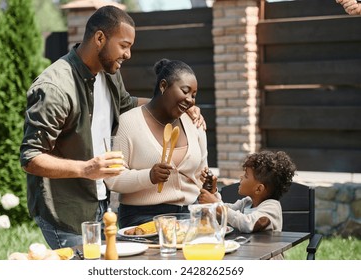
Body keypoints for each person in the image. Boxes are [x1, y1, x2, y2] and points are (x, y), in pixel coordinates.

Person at [20, 6, 204, 250]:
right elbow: (30, 158)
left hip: (99, 203)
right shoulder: (56, 88)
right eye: (124, 45)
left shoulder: (109, 74)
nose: (128, 54)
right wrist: (86, 168)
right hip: (66, 209)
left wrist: (180, 105)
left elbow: (126, 103)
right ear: (99, 38)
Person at [104, 58, 220, 228]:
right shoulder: (128, 123)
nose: (190, 100)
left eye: (193, 95)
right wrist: (149, 176)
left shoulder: (194, 123)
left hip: (190, 216)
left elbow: (200, 174)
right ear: (163, 86)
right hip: (142, 218)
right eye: (185, 91)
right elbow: (113, 179)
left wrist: (210, 186)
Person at [198, 150, 296, 234]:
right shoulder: (247, 203)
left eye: (246, 175)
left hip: (267, 256)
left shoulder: (272, 208)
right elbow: (222, 215)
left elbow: (248, 223)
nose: (241, 177)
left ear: (259, 189)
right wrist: (212, 192)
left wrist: (217, 205)